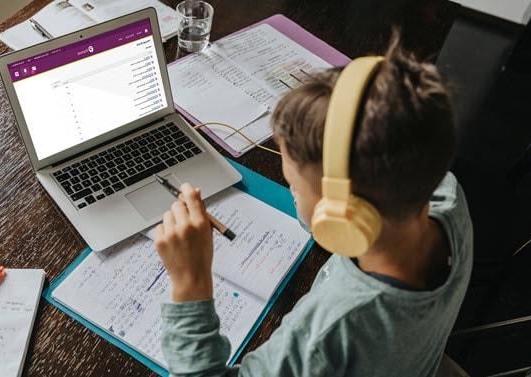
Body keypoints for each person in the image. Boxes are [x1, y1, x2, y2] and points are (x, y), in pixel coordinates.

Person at [153, 35, 473, 376]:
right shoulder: (446, 196)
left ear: (339, 214)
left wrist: (192, 282)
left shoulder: (328, 334)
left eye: (294, 186)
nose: (292, 193)